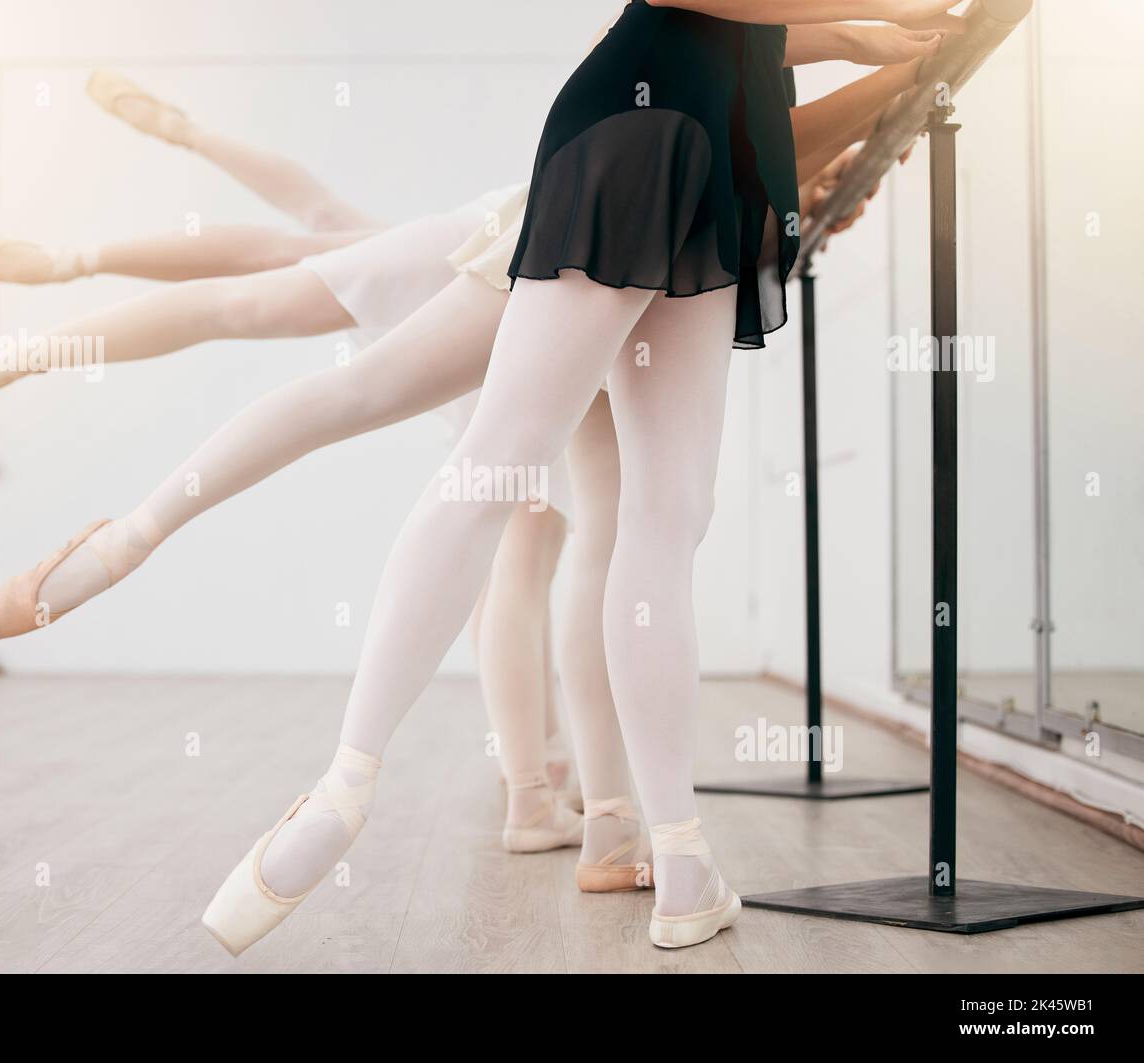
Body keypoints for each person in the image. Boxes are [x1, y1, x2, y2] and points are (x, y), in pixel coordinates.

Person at [195, 0, 961, 955]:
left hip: (682, 156)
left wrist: (869, 46)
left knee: (593, 493)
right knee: (639, 513)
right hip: (668, 151)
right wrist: (874, 17)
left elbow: (742, 46)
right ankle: (676, 862)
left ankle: (356, 784)